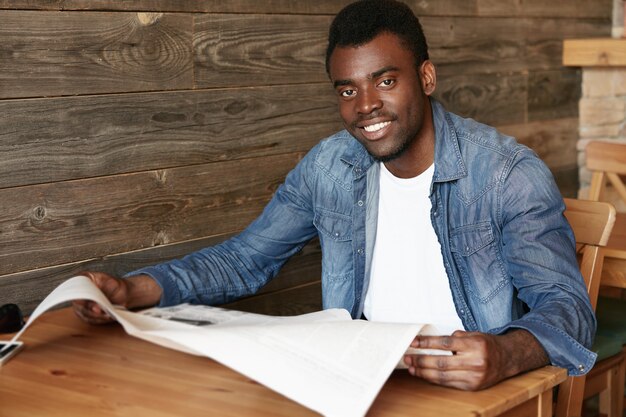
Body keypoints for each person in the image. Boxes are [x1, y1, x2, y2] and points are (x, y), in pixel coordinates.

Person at [73, 0, 596, 391]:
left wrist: (506, 353)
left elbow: (566, 307)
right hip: (361, 379)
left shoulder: (507, 175)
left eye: (385, 80)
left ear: (426, 77)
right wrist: (133, 290)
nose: (366, 105)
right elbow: (245, 259)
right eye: (348, 90)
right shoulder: (329, 166)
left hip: (469, 389)